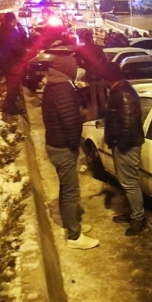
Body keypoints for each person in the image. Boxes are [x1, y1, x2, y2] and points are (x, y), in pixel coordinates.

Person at [42, 56, 99, 250]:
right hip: (63, 147)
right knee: (70, 191)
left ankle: (71, 223)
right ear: (68, 69)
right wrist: (75, 145)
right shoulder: (63, 89)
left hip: (55, 143)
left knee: (66, 188)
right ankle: (74, 236)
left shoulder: (52, 85)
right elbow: (70, 123)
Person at [103, 62, 147, 236]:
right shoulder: (120, 90)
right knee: (126, 182)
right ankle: (131, 213)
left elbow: (128, 123)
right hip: (123, 144)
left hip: (126, 146)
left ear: (109, 78)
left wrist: (120, 143)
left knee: (130, 183)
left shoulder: (123, 93)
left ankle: (139, 218)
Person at [0, 12, 29, 115]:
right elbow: (15, 47)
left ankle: (8, 105)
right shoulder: (11, 30)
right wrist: (25, 52)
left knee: (11, 86)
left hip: (5, 61)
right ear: (13, 19)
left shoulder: (1, 29)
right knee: (13, 87)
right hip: (13, 63)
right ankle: (10, 108)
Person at [75, 31, 109, 120]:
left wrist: (85, 66)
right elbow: (105, 59)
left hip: (90, 74)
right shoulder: (97, 48)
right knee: (101, 95)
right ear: (91, 38)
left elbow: (77, 60)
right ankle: (104, 114)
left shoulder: (82, 49)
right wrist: (100, 66)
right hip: (99, 74)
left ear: (84, 39)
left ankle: (96, 115)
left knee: (93, 97)